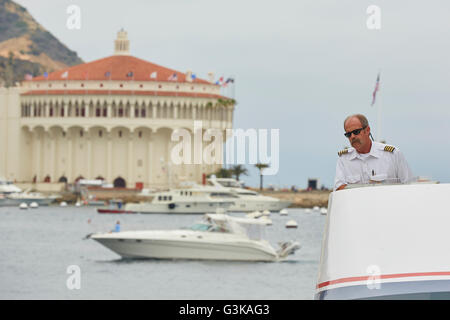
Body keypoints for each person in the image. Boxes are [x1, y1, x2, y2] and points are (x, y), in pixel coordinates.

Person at [334, 114, 414, 191]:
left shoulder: (392, 155)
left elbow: (409, 185)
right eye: (348, 134)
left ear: (367, 130)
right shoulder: (344, 160)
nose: (352, 136)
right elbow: (339, 189)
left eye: (356, 132)